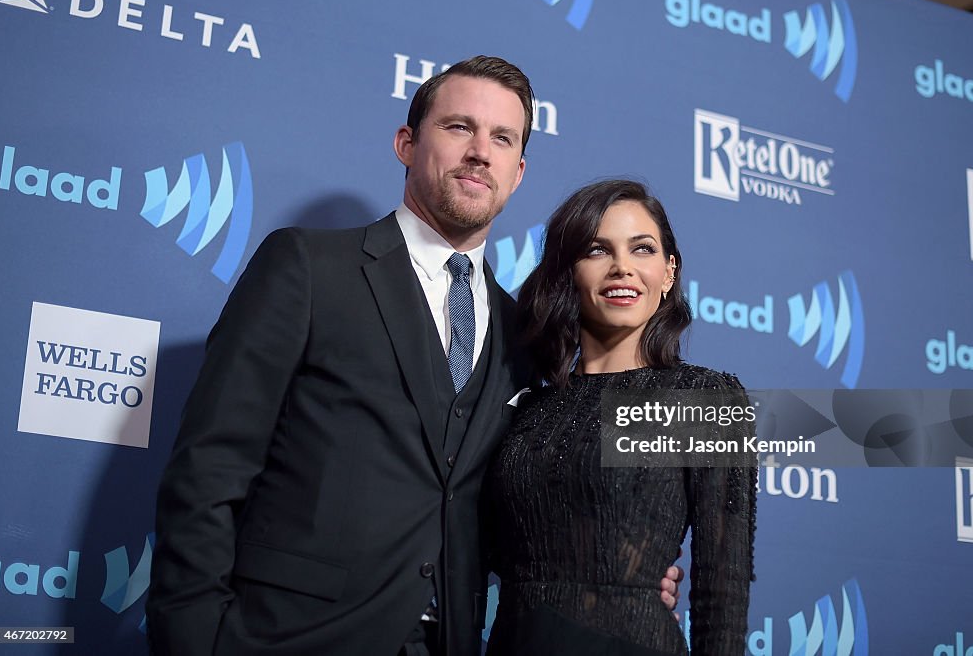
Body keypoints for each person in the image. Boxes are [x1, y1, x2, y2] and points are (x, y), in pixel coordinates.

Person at [146, 57, 681, 656]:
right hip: (288, 636)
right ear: (406, 143)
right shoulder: (309, 268)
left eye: (502, 138)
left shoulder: (522, 333)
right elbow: (209, 470)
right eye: (459, 128)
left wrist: (614, 567)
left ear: (519, 171)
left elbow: (500, 514)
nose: (481, 151)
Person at [486, 179, 757, 655]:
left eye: (643, 249)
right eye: (597, 250)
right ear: (569, 271)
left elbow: (724, 585)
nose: (623, 269)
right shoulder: (528, 407)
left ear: (669, 272)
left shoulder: (701, 399)